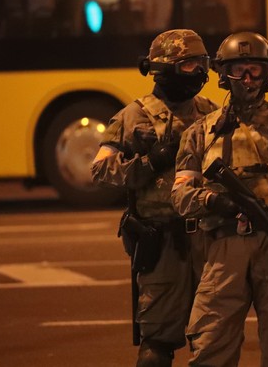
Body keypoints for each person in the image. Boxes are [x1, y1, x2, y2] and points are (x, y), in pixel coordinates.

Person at [171, 31, 268, 367]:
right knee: (211, 346)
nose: (247, 79)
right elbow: (181, 196)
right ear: (222, 75)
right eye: (238, 70)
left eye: (255, 70)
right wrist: (214, 202)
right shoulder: (199, 133)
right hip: (223, 249)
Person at [91, 29, 218, 367]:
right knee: (158, 343)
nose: (200, 73)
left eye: (202, 63)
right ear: (163, 69)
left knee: (215, 338)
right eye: (189, 65)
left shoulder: (211, 113)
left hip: (209, 238)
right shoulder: (133, 117)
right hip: (162, 242)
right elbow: (102, 171)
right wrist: (152, 161)